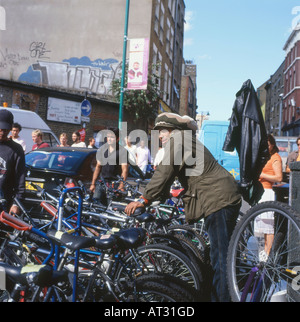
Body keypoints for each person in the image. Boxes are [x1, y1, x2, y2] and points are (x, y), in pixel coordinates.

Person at [125, 112, 242, 302]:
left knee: (221, 259)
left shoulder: (178, 140)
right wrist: (157, 198)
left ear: (170, 130)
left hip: (218, 200)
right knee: (217, 256)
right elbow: (170, 175)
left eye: (161, 132)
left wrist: (143, 200)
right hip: (222, 196)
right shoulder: (185, 141)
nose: (159, 137)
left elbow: (165, 171)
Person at [255, 134, 283, 261]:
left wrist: (262, 174)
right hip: (260, 192)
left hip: (267, 192)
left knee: (268, 226)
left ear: (273, 144)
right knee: (260, 227)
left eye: (268, 145)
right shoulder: (264, 157)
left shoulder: (275, 157)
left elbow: (279, 177)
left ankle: (268, 254)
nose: (266, 147)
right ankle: (262, 254)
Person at [0, 109, 26, 215]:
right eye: (0, 129)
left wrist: (16, 203)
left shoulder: (16, 149)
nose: (2, 132)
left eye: (5, 130)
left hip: (5, 202)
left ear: (10, 129)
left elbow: (20, 178)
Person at [90, 127, 129, 194]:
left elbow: (124, 170)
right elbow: (98, 167)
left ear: (118, 139)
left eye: (112, 137)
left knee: (112, 203)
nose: (109, 139)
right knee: (97, 201)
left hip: (115, 183)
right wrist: (93, 184)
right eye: (108, 137)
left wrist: (121, 185)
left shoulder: (123, 151)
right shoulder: (102, 149)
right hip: (102, 182)